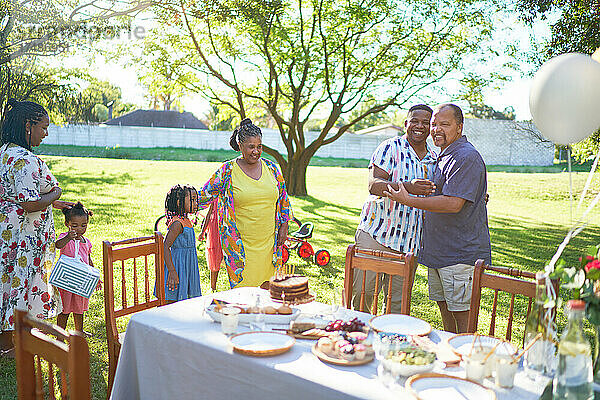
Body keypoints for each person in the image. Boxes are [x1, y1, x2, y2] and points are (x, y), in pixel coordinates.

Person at [384, 103, 491, 333]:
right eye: (434, 124)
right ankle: (452, 362)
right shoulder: (444, 155)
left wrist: (408, 199)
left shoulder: (466, 156)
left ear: (459, 127)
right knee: (446, 318)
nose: (436, 129)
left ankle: (464, 364)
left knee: (463, 322)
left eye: (445, 124)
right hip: (439, 254)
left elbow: (453, 203)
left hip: (460, 255)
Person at [0, 99, 73, 357]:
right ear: (27, 125)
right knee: (20, 281)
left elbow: (15, 194)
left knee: (7, 281)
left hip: (7, 232)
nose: (46, 133)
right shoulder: (26, 159)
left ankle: (9, 340)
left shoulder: (4, 152)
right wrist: (56, 192)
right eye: (43, 127)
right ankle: (12, 345)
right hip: (22, 236)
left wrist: (55, 202)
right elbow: (30, 203)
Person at [351, 104, 437, 314]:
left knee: (397, 306)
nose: (419, 126)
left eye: (425, 122)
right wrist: (408, 187)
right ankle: (357, 341)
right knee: (363, 296)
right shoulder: (390, 147)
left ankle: (390, 344)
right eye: (415, 121)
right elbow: (373, 185)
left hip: (409, 242)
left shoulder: (435, 159)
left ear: (431, 127)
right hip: (377, 234)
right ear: (406, 124)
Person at [198, 118, 291, 288]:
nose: (256, 151)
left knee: (268, 293)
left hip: (269, 245)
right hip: (240, 248)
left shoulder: (272, 169)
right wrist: (180, 202)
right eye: (251, 147)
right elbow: (204, 195)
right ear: (240, 145)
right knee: (243, 297)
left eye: (259, 146)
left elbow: (284, 199)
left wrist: (284, 226)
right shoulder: (227, 171)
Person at [55, 202, 100, 334]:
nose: (79, 229)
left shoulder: (86, 242)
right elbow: (58, 245)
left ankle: (79, 331)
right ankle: (60, 333)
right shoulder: (65, 237)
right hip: (66, 280)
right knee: (65, 309)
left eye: (83, 225)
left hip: (81, 281)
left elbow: (89, 260)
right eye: (75, 225)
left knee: (79, 309)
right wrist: (68, 237)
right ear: (67, 224)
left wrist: (95, 276)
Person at [160, 184, 203, 302]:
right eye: (192, 200)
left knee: (188, 300)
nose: (195, 203)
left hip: (188, 265)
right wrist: (172, 271)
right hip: (178, 266)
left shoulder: (186, 220)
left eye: (196, 200)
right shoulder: (177, 224)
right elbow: (165, 246)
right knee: (173, 299)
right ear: (179, 202)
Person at [199, 198, 223, 292]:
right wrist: (202, 232)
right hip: (215, 229)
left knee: (230, 259)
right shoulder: (215, 197)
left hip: (227, 229)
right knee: (214, 259)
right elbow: (208, 215)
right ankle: (213, 288)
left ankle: (233, 286)